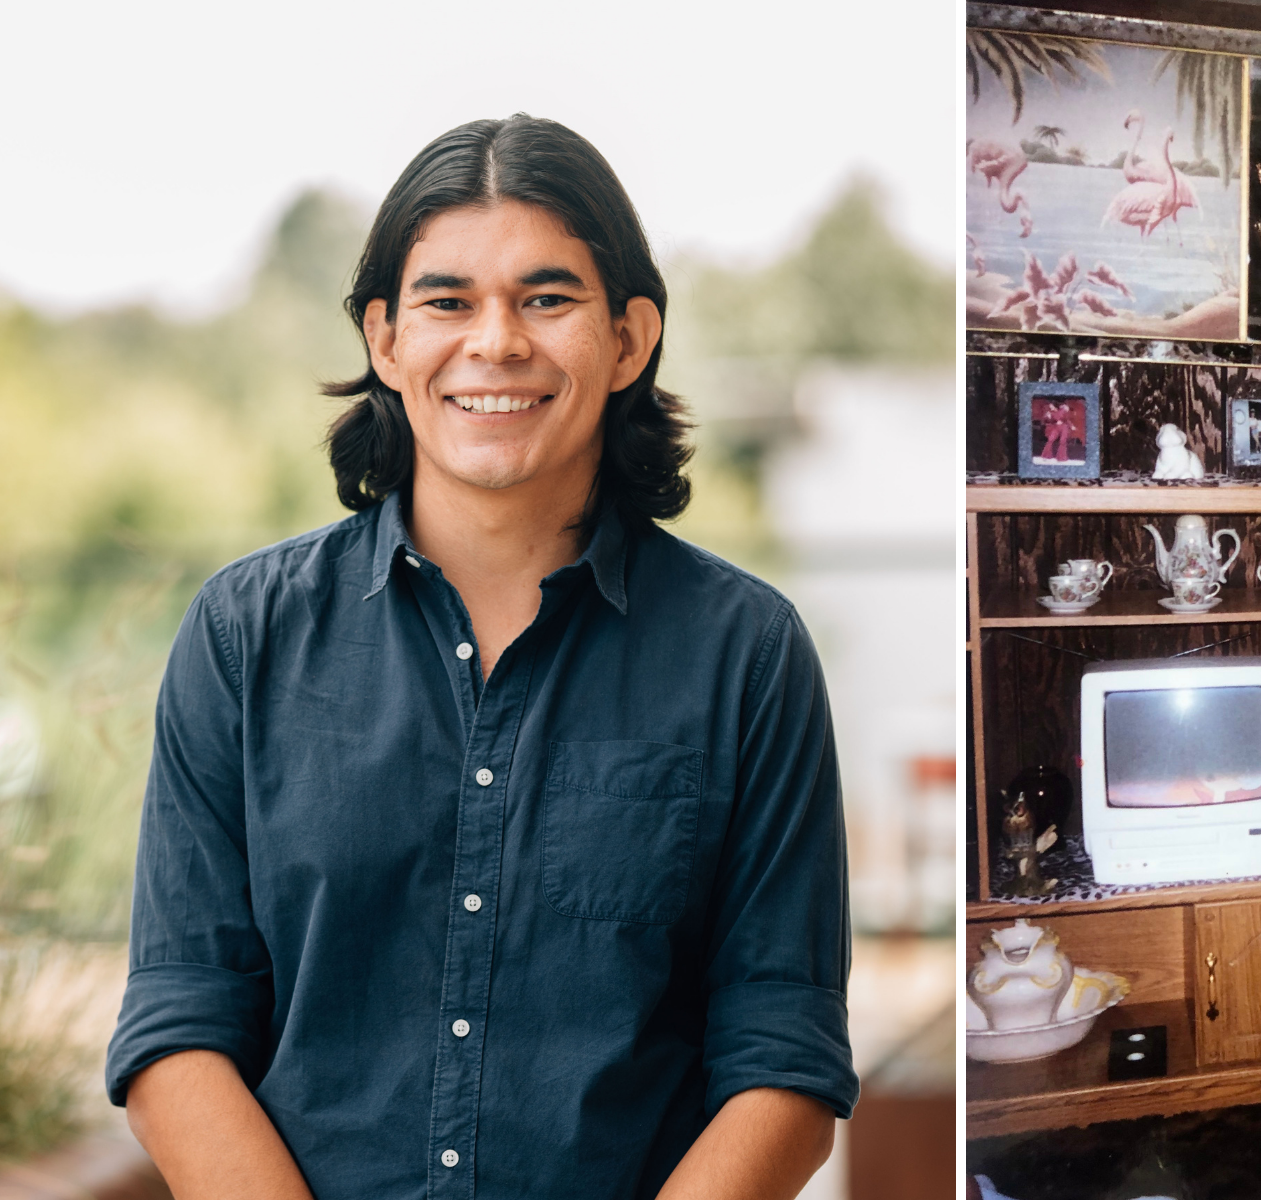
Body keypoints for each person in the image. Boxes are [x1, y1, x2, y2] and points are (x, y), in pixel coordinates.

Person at [105, 115, 854, 1200]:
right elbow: (178, 1026)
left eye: (546, 300)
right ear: (385, 339)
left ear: (631, 338)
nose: (495, 343)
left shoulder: (747, 655)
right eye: (447, 301)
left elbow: (784, 1057)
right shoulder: (243, 635)